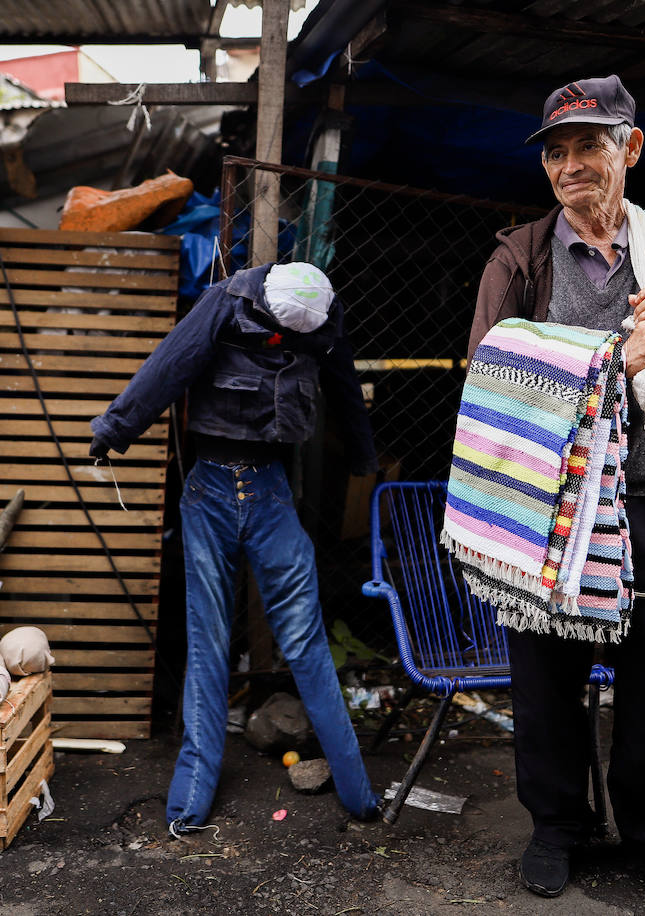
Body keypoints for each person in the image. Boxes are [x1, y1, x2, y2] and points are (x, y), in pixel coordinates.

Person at [466, 75, 645, 915]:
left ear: (630, 149)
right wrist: (608, 364)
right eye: (555, 152)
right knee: (546, 677)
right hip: (546, 506)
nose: (569, 166)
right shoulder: (518, 258)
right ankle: (557, 829)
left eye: (588, 146)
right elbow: (493, 376)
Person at [89, 261, 382, 836]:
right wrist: (114, 429)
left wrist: (364, 458)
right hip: (221, 492)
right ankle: (194, 802)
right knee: (218, 639)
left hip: (257, 491)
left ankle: (355, 791)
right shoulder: (225, 301)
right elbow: (168, 368)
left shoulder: (323, 310)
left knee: (284, 641)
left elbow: (345, 380)